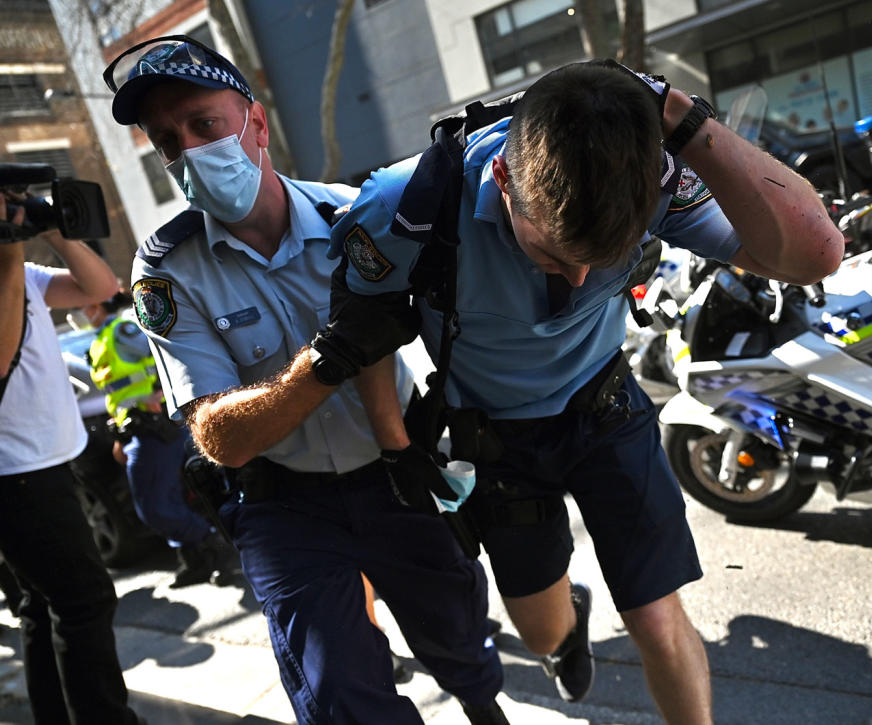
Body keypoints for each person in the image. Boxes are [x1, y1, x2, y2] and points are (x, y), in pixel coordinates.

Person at [310, 60, 846, 724]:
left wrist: (688, 122)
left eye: (603, 255)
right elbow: (368, 331)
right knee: (540, 635)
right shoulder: (406, 206)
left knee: (654, 614)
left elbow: (814, 254)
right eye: (555, 255)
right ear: (503, 179)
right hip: (496, 439)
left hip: (605, 409)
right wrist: (398, 450)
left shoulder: (650, 177)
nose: (580, 275)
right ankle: (568, 627)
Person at [103, 35, 508, 725]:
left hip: (396, 468)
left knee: (463, 646)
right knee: (340, 696)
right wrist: (327, 361)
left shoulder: (356, 214)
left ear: (255, 125)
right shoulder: (166, 270)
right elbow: (219, 437)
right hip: (284, 504)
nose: (190, 151)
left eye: (205, 123)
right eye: (168, 141)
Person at [0, 203, 143, 724]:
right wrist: (11, 247)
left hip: (48, 462)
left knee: (41, 606)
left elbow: (101, 288)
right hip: (16, 473)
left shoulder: (25, 274)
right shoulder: (11, 271)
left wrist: (57, 232)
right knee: (84, 601)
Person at [82, 291, 228, 587]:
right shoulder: (103, 338)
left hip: (154, 427)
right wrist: (119, 436)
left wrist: (161, 395)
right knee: (164, 501)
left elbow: (165, 354)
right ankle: (195, 560)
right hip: (136, 429)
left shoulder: (123, 329)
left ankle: (212, 544)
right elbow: (119, 393)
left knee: (155, 507)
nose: (80, 313)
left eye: (83, 306)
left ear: (96, 304)